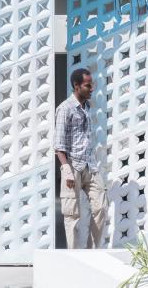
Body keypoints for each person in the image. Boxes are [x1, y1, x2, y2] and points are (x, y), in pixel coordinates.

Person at [54, 68, 108, 249]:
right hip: (73, 166)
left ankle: (91, 253)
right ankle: (75, 258)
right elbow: (59, 145)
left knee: (101, 207)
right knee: (72, 215)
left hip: (90, 165)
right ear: (76, 86)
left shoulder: (86, 107)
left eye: (92, 84)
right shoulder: (65, 109)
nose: (91, 88)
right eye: (87, 85)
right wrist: (66, 170)